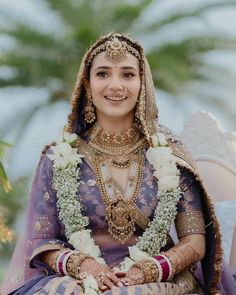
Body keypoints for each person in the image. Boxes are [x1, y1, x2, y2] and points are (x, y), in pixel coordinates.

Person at [0, 33, 235, 295]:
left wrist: (146, 271)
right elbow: (42, 240)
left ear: (142, 83)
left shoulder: (170, 155)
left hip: (156, 281)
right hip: (77, 279)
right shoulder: (57, 157)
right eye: (102, 74)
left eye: (127, 74)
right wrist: (85, 266)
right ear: (87, 84)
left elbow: (194, 242)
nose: (115, 85)